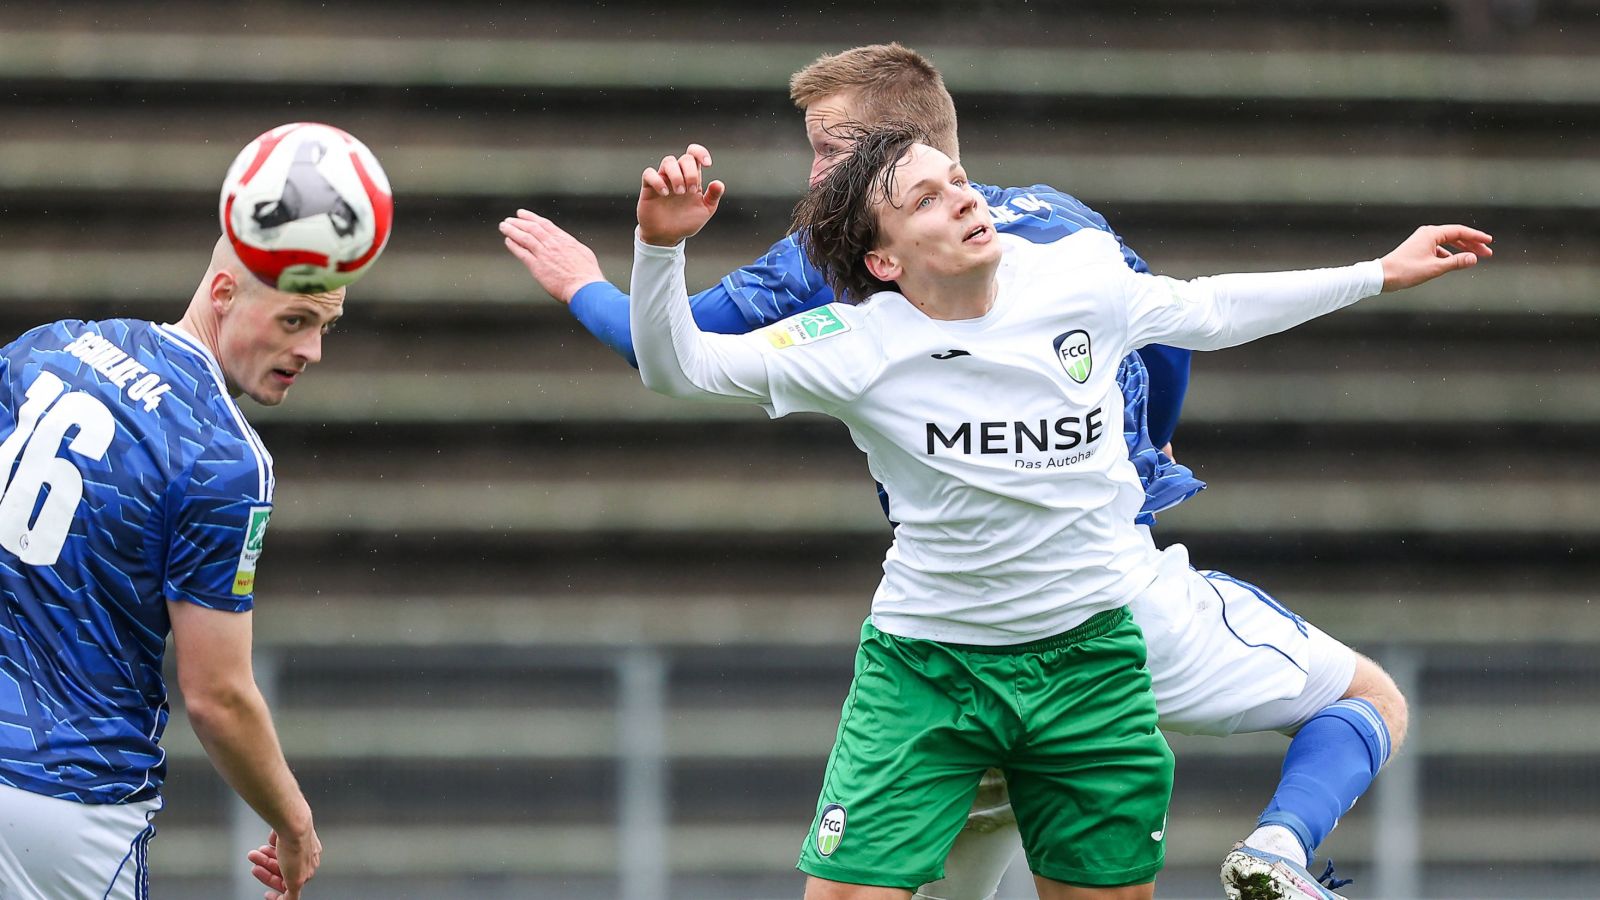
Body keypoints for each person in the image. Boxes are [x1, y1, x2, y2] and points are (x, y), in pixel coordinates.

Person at [500, 43, 1436, 900]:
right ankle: (1281, 842)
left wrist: (591, 284)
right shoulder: (893, 315)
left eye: (831, 150)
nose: (815, 172)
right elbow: (684, 367)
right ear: (885, 255)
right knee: (1363, 700)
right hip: (944, 653)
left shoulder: (901, 266)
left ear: (890, 159)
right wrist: (655, 248)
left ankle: (1272, 853)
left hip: (1094, 635)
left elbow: (1186, 313)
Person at [0, 235, 334, 900]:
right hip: (67, 799)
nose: (312, 351)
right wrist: (294, 825)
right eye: (295, 320)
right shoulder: (224, 459)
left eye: (327, 327)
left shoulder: (47, 346)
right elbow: (217, 698)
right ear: (223, 293)